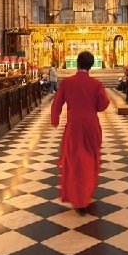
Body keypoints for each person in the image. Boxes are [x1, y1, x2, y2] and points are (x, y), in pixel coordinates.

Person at [51, 51, 110, 216]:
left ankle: (78, 198)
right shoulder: (96, 84)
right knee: (90, 160)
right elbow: (102, 105)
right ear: (90, 65)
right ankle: (85, 195)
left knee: (75, 161)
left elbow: (57, 103)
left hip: (74, 127)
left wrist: (54, 119)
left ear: (77, 64)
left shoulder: (67, 83)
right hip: (92, 126)